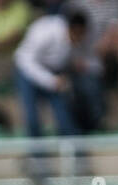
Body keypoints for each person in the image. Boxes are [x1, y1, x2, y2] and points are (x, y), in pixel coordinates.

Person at [14, 9, 100, 137]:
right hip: (28, 72)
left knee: (65, 118)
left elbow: (88, 61)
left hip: (55, 74)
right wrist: (50, 80)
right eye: (78, 34)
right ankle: (36, 149)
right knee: (32, 117)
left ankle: (74, 146)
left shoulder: (80, 37)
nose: (80, 39)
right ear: (71, 28)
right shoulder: (45, 33)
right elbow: (24, 60)